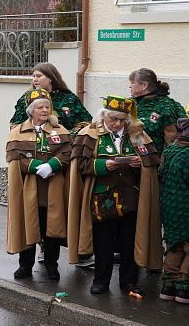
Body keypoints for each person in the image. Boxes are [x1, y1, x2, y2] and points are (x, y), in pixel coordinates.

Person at [67, 96, 162, 297]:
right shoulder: (90, 135)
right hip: (102, 199)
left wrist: (139, 165)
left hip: (131, 199)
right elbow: (80, 166)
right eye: (113, 119)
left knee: (129, 242)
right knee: (104, 243)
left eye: (122, 120)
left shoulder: (138, 136)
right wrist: (103, 165)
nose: (118, 124)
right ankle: (101, 281)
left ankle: (129, 282)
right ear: (104, 117)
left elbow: (152, 161)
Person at [5, 89, 72, 281]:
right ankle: (25, 265)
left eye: (47, 107)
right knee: (28, 225)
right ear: (31, 110)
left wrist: (52, 165)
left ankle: (52, 264)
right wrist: (34, 166)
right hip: (29, 187)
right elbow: (13, 156)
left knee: (52, 227)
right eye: (40, 107)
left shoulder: (60, 131)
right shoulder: (18, 132)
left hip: (54, 186)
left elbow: (68, 153)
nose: (44, 110)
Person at [158, 118, 189, 304]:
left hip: (169, 205)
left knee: (174, 245)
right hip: (185, 206)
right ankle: (184, 291)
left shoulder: (171, 149)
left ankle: (168, 287)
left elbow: (161, 174)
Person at [9, 63, 90, 130]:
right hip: (31, 144)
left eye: (39, 76)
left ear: (51, 78)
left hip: (63, 145)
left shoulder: (69, 99)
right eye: (33, 76)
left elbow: (84, 124)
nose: (35, 79)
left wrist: (67, 137)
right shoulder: (26, 98)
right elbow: (15, 126)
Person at [129, 68, 183, 155]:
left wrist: (164, 165)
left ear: (144, 85)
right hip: (129, 160)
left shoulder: (165, 106)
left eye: (132, 82)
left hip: (154, 163)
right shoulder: (129, 103)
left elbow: (171, 139)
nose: (130, 86)